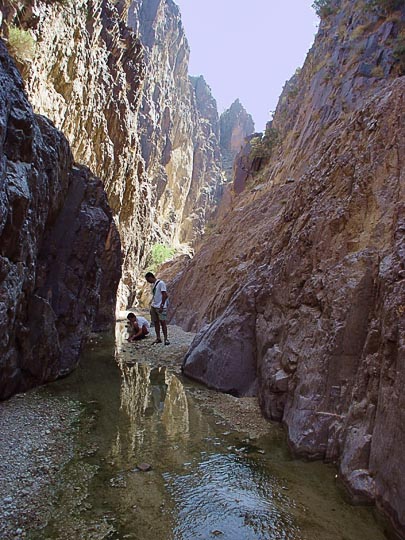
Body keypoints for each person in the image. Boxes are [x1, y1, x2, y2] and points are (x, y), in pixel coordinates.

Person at [145, 271, 170, 345]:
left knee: (163, 323)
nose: (148, 281)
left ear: (150, 277)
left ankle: (166, 339)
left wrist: (162, 306)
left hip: (160, 307)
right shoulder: (154, 285)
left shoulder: (161, 283)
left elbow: (165, 295)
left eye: (147, 279)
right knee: (156, 322)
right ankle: (158, 338)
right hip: (154, 306)